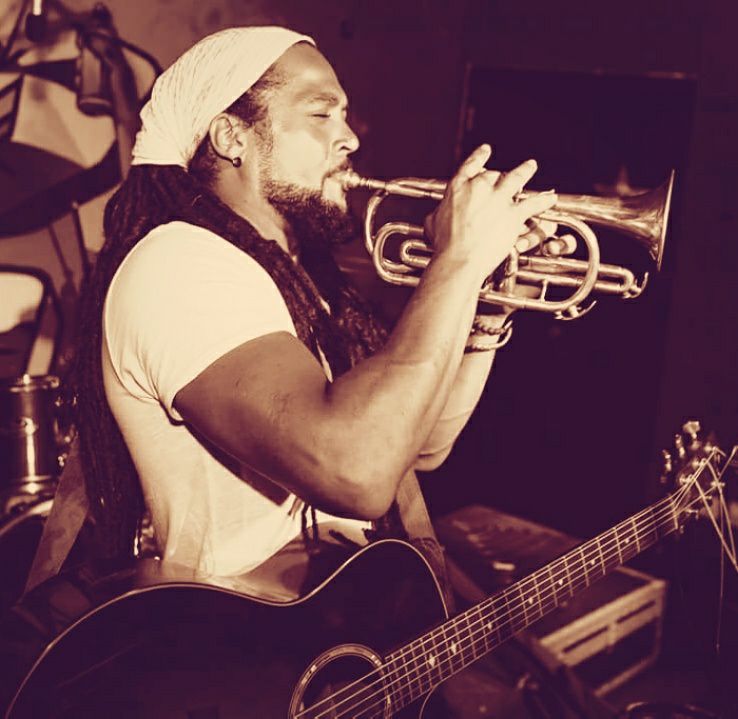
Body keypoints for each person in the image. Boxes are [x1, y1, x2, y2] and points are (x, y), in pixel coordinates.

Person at [71, 26, 557, 581]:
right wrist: (459, 261)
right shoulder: (180, 265)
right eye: (321, 114)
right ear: (232, 137)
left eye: (344, 116)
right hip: (239, 628)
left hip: (328, 610)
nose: (349, 139)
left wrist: (484, 311)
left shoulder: (300, 273)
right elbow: (357, 472)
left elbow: (417, 447)